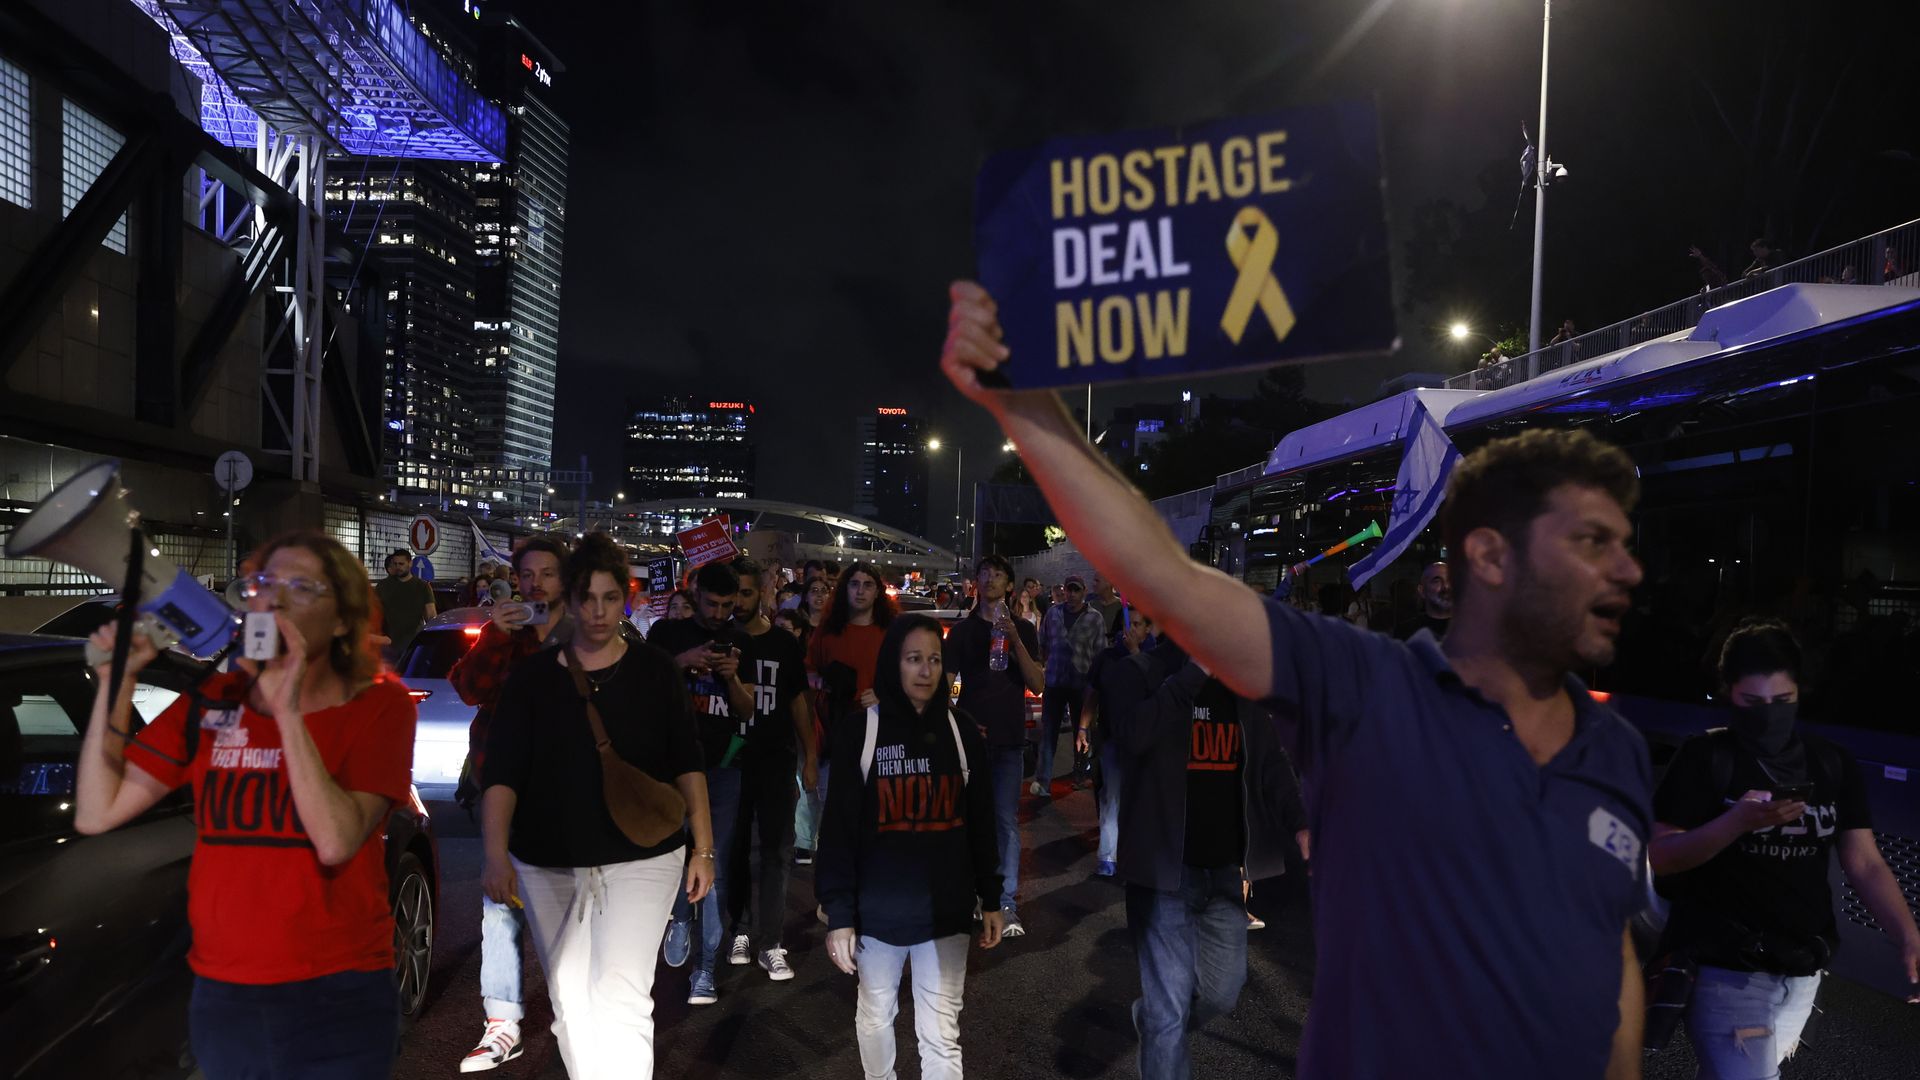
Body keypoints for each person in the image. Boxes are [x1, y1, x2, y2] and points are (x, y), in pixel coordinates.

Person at [943, 279, 1653, 1078]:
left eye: (1625, 543)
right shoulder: (1367, 687)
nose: (1627, 569)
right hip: (1183, 881)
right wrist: (1030, 411)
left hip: (1222, 871)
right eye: (1592, 542)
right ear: (1489, 556)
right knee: (1178, 1006)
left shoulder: (1616, 751)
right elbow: (1165, 576)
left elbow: (1612, 967)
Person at [76, 532, 416, 1078]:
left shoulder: (381, 705)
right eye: (263, 583)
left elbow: (336, 840)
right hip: (227, 991)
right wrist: (118, 681)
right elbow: (96, 811)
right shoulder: (215, 699)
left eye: (301, 587)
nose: (274, 599)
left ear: (340, 621)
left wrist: (286, 711)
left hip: (337, 992)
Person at [480, 534, 713, 1080]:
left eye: (611, 598)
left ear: (624, 599)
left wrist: (704, 847)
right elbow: (503, 774)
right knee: (569, 1000)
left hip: (644, 856)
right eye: (588, 598)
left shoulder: (656, 671)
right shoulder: (533, 679)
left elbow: (688, 762)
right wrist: (494, 855)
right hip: (548, 859)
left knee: (622, 992)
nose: (600, 611)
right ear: (572, 598)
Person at [1649, 620, 1920, 1077]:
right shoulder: (1706, 758)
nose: (1768, 715)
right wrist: (1735, 822)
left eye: (1782, 702)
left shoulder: (1831, 762)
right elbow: (1662, 855)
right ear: (1728, 692)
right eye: (1752, 703)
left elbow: (1865, 862)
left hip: (1802, 972)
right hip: (1727, 970)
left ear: (1799, 692)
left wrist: (1908, 935)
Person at [1105, 646, 1309, 1080]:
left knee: (1222, 992)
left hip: (1224, 873)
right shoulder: (1141, 672)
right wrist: (1193, 674)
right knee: (1169, 1013)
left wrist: (1301, 825)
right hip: (1165, 875)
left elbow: (1271, 764)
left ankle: (1157, 1024)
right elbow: (1132, 735)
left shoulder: (1241, 683)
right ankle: (1161, 1027)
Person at [817, 614, 1006, 1080]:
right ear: (893, 665)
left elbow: (982, 824)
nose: (926, 671)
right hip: (878, 915)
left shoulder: (963, 734)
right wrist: (839, 914)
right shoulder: (862, 732)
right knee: (875, 1016)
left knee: (941, 1035)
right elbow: (838, 830)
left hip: (947, 914)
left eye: (935, 660)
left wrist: (993, 898)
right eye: (914, 659)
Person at [450, 534, 570, 1073]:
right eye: (527, 575)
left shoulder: (586, 632)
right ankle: (503, 1021)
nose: (536, 584)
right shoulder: (504, 634)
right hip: (500, 783)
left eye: (547, 573)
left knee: (570, 902)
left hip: (569, 790)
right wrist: (495, 634)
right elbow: (469, 688)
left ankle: (576, 1010)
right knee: (499, 902)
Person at [647, 561, 755, 1005]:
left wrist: (730, 678)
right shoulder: (665, 635)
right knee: (670, 858)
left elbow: (748, 711)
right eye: (711, 603)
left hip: (723, 766)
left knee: (715, 864)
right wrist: (682, 664)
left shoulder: (741, 640)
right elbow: (644, 689)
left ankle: (706, 968)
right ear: (695, 595)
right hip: (670, 769)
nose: (719, 613)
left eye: (728, 606)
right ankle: (677, 917)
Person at [723, 557, 818, 981]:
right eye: (733, 594)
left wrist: (809, 756)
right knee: (735, 849)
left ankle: (772, 942)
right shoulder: (719, 640)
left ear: (763, 591)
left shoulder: (783, 643)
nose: (739, 601)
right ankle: (741, 930)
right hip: (731, 762)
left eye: (746, 592)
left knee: (778, 851)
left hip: (776, 758)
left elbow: (799, 703)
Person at [942, 554, 1044, 938]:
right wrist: (960, 724)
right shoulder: (965, 631)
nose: (989, 579)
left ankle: (1005, 903)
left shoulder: (1023, 630)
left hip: (1009, 740)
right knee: (966, 820)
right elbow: (945, 686)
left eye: (998, 574)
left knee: (1004, 822)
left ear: (1010, 586)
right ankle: (972, 896)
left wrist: (1015, 638)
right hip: (970, 741)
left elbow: (1038, 683)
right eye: (984, 573)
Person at [805, 562, 898, 859]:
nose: (860, 591)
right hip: (834, 733)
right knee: (835, 814)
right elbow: (808, 671)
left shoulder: (890, 632)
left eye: (867, 584)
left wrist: (883, 697)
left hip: (878, 736)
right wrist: (821, 680)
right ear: (845, 589)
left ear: (877, 592)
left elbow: (906, 680)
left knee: (872, 813)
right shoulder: (828, 631)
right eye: (854, 584)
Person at [1077, 607, 1156, 877]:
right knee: (1111, 796)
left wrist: (1136, 654)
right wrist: (1082, 727)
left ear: (1147, 629)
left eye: (1137, 624)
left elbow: (1156, 690)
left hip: (1145, 742)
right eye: (1127, 624)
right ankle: (1108, 857)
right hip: (1112, 737)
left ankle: (1136, 856)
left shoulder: (1152, 658)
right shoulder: (1107, 658)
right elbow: (1093, 693)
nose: (1131, 630)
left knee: (1140, 800)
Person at [1035, 574, 1106, 799]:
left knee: (1081, 731)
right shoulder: (1053, 614)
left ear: (1084, 591)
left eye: (1076, 590)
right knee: (1048, 733)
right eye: (1069, 590)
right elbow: (1043, 643)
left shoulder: (1094, 618)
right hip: (1055, 681)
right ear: (1064, 591)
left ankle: (1079, 774)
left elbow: (1100, 652)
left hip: (1081, 683)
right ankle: (1043, 780)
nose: (1072, 594)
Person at [375, 547, 436, 664]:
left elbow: (431, 615)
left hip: (412, 645)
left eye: (401, 564)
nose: (398, 567)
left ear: (410, 563)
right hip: (388, 645)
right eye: (395, 564)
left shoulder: (422, 587)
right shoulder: (383, 586)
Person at [1393, 561, 1453, 642]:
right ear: (1422, 590)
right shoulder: (1406, 632)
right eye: (1437, 581)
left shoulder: (1472, 629)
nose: (1446, 586)